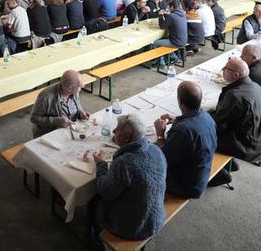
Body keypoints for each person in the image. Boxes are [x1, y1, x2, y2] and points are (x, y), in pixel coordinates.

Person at [90, 114, 166, 247]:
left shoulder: (123, 163)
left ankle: (97, 240)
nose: (113, 131)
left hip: (133, 227)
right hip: (156, 218)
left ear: (126, 138)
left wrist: (101, 164)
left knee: (94, 200)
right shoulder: (156, 150)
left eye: (117, 129)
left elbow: (105, 191)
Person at [209, 58, 261, 185]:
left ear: (235, 75)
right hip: (259, 139)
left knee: (200, 137)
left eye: (225, 69)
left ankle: (217, 174)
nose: (222, 70)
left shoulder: (235, 95)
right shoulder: (255, 86)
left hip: (247, 146)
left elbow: (217, 124)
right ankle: (228, 164)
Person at [154, 81, 217, 199]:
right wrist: (178, 119)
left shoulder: (183, 131)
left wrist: (160, 135)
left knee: (143, 165)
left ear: (179, 102)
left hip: (187, 185)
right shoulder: (207, 116)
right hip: (201, 170)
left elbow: (162, 160)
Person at [30, 70, 90, 138]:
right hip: (49, 135)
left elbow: (77, 104)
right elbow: (34, 118)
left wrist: (80, 113)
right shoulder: (45, 97)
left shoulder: (74, 91)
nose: (83, 86)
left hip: (69, 130)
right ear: (69, 88)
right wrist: (56, 121)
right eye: (80, 86)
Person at [152, 0, 187, 65]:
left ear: (172, 7)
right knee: (162, 38)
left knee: (154, 43)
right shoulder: (182, 14)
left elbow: (162, 26)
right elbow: (171, 21)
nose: (168, 9)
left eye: (169, 7)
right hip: (184, 40)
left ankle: (161, 63)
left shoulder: (172, 16)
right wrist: (165, 15)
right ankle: (174, 57)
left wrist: (160, 15)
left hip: (175, 42)